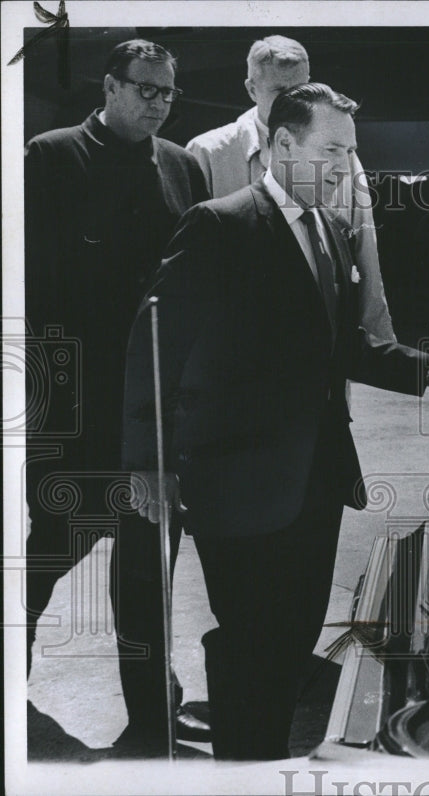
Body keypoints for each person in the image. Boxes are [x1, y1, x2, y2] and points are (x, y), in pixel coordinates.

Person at [122, 83, 429, 760]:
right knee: (250, 646)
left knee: (291, 644)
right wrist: (146, 461)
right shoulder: (220, 224)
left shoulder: (330, 231)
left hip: (316, 483)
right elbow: (153, 345)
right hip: (237, 485)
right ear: (282, 144)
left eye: (350, 153)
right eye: (332, 149)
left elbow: (346, 348)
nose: (343, 165)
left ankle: (263, 759)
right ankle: (246, 766)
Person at [23, 38, 209, 755]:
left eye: (169, 93)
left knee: (144, 571)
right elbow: (35, 293)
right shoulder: (53, 156)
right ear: (109, 86)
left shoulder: (184, 167)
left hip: (156, 416)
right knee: (48, 554)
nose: (159, 104)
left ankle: (150, 715)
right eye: (146, 90)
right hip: (77, 414)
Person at [185, 34, 395, 342]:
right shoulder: (206, 153)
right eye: (279, 90)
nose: (292, 100)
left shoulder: (342, 156)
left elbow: (364, 249)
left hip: (320, 351)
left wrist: (381, 344)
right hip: (235, 351)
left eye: (299, 88)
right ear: (251, 89)